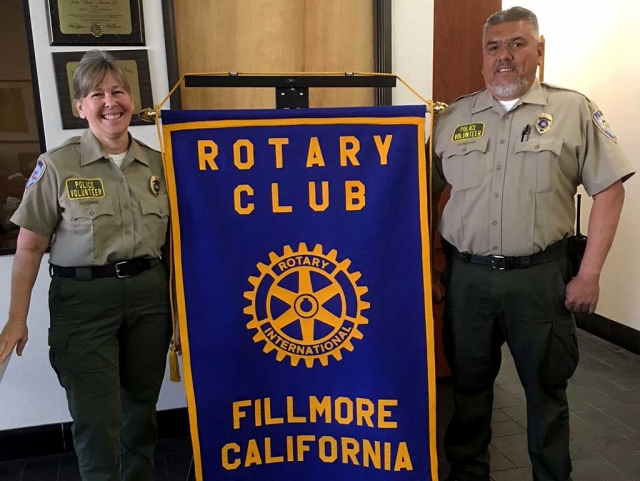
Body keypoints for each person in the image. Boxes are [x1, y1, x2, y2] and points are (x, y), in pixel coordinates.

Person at [430, 7, 634, 481]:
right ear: (483, 57)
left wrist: (590, 274)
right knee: (468, 392)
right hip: (468, 282)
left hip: (540, 281)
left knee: (546, 394)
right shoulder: (453, 117)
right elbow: (422, 192)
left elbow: (610, 188)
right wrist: (432, 268)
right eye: (493, 47)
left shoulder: (573, 110)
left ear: (538, 51)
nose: (504, 56)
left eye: (517, 44)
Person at [0, 50, 173, 481]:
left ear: (132, 99)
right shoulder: (57, 165)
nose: (110, 102)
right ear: (80, 107)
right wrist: (16, 320)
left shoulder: (159, 164)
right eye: (96, 94)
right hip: (83, 303)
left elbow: (177, 243)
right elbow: (28, 248)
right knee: (97, 420)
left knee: (141, 412)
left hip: (150, 298)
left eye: (118, 91)